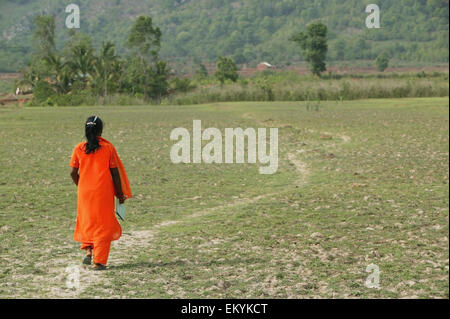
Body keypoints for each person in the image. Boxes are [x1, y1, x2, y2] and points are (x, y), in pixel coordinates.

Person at [69, 115, 132, 270]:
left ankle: (89, 251)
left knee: (87, 220)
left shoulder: (78, 148)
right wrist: (120, 193)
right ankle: (99, 262)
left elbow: (72, 172)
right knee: (103, 225)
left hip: (84, 192)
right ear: (100, 131)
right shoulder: (108, 148)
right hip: (102, 192)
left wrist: (81, 185)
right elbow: (115, 174)